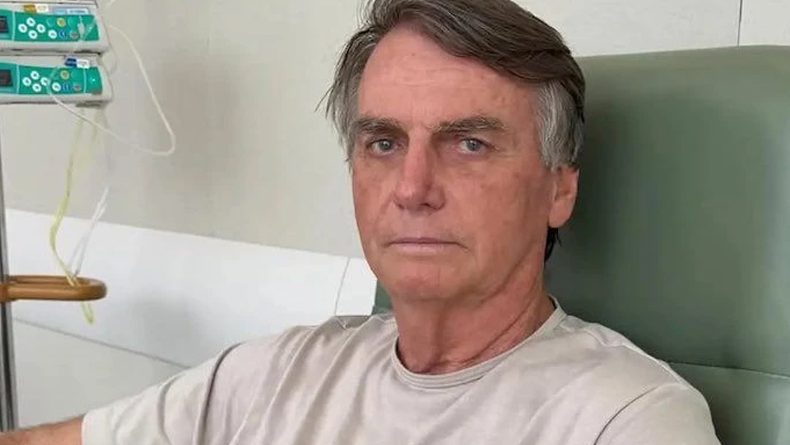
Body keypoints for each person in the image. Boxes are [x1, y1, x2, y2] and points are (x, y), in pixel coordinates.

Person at [2, 0, 721, 443]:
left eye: (469, 143)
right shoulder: (280, 372)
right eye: (383, 142)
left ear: (559, 189)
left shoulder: (624, 417)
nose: (412, 188)